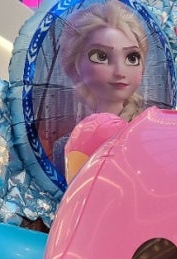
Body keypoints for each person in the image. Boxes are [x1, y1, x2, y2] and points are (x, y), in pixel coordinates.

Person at [54, 0, 148, 176]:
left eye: (132, 58)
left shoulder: (148, 138)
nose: (120, 71)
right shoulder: (65, 146)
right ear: (76, 64)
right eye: (101, 56)